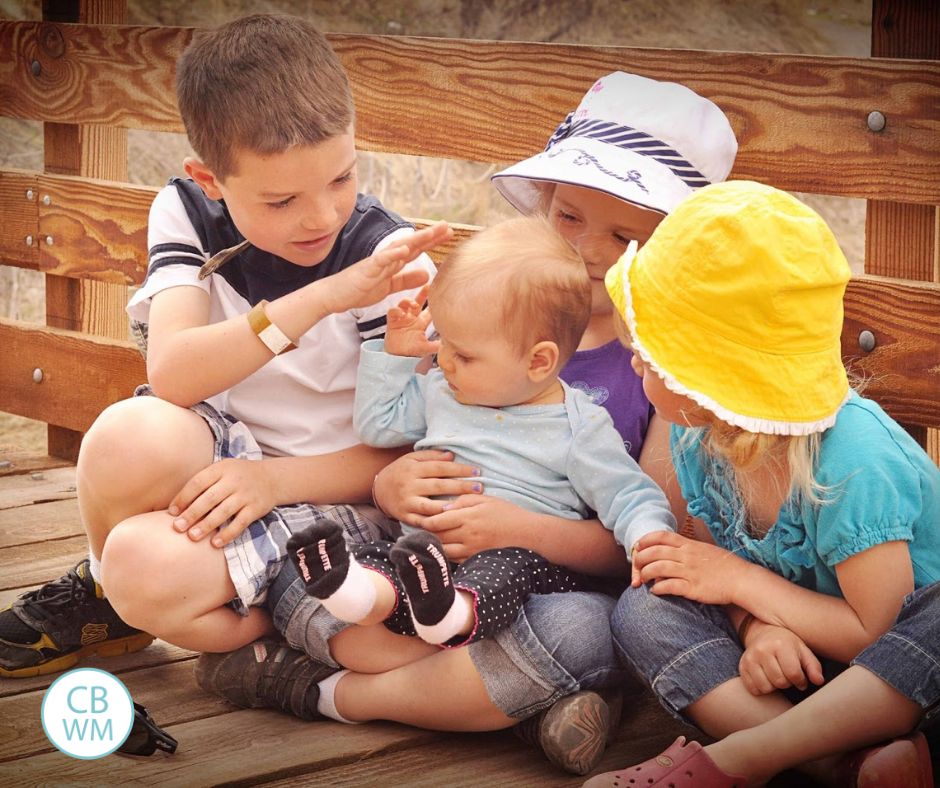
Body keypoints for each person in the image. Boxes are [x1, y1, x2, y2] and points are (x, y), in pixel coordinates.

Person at [195, 71, 738, 776]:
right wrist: (390, 487)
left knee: (589, 633)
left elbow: (639, 540)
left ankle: (325, 693)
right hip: (422, 573)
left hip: (543, 587)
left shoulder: (664, 372)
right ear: (544, 203)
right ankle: (510, 704)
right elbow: (401, 424)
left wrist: (518, 530)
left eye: (627, 236)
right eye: (569, 217)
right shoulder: (495, 304)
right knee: (307, 577)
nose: (589, 250)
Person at [0, 13, 450, 677]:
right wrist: (322, 297)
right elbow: (176, 376)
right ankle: (111, 604)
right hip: (226, 463)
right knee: (127, 436)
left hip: (339, 495)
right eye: (281, 200)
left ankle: (281, 628)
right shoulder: (186, 210)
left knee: (141, 566)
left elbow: (405, 447)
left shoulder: (388, 258)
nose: (323, 216)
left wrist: (272, 480)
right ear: (210, 179)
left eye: (341, 179)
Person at [585, 179, 940, 786]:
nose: (636, 359)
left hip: (901, 675)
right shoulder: (696, 432)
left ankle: (744, 757)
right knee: (646, 608)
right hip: (795, 662)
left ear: (711, 376)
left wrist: (742, 583)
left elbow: (875, 633)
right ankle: (842, 766)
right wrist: (756, 628)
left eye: (653, 350)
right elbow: (711, 574)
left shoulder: (855, 462)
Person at [287, 216, 675, 649]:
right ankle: (361, 595)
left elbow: (627, 495)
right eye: (444, 342)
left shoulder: (577, 428)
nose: (445, 361)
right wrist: (395, 356)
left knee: (505, 570)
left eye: (464, 355)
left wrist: (648, 540)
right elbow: (379, 426)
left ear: (538, 363)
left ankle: (453, 613)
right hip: (426, 556)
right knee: (383, 557)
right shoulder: (443, 389)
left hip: (525, 565)